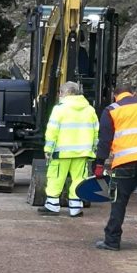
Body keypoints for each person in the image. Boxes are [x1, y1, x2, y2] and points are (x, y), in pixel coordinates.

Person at [94, 85, 137, 253]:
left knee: (119, 202)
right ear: (133, 93)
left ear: (114, 95)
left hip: (124, 163)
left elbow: (105, 141)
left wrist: (99, 164)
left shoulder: (111, 110)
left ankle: (112, 241)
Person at [37, 81, 99, 218]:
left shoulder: (59, 109)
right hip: (82, 152)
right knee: (79, 179)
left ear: (65, 93)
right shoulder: (89, 109)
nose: (59, 95)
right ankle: (75, 208)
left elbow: (52, 131)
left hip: (61, 152)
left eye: (60, 92)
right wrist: (93, 149)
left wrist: (48, 149)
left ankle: (52, 206)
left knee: (56, 177)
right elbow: (96, 131)